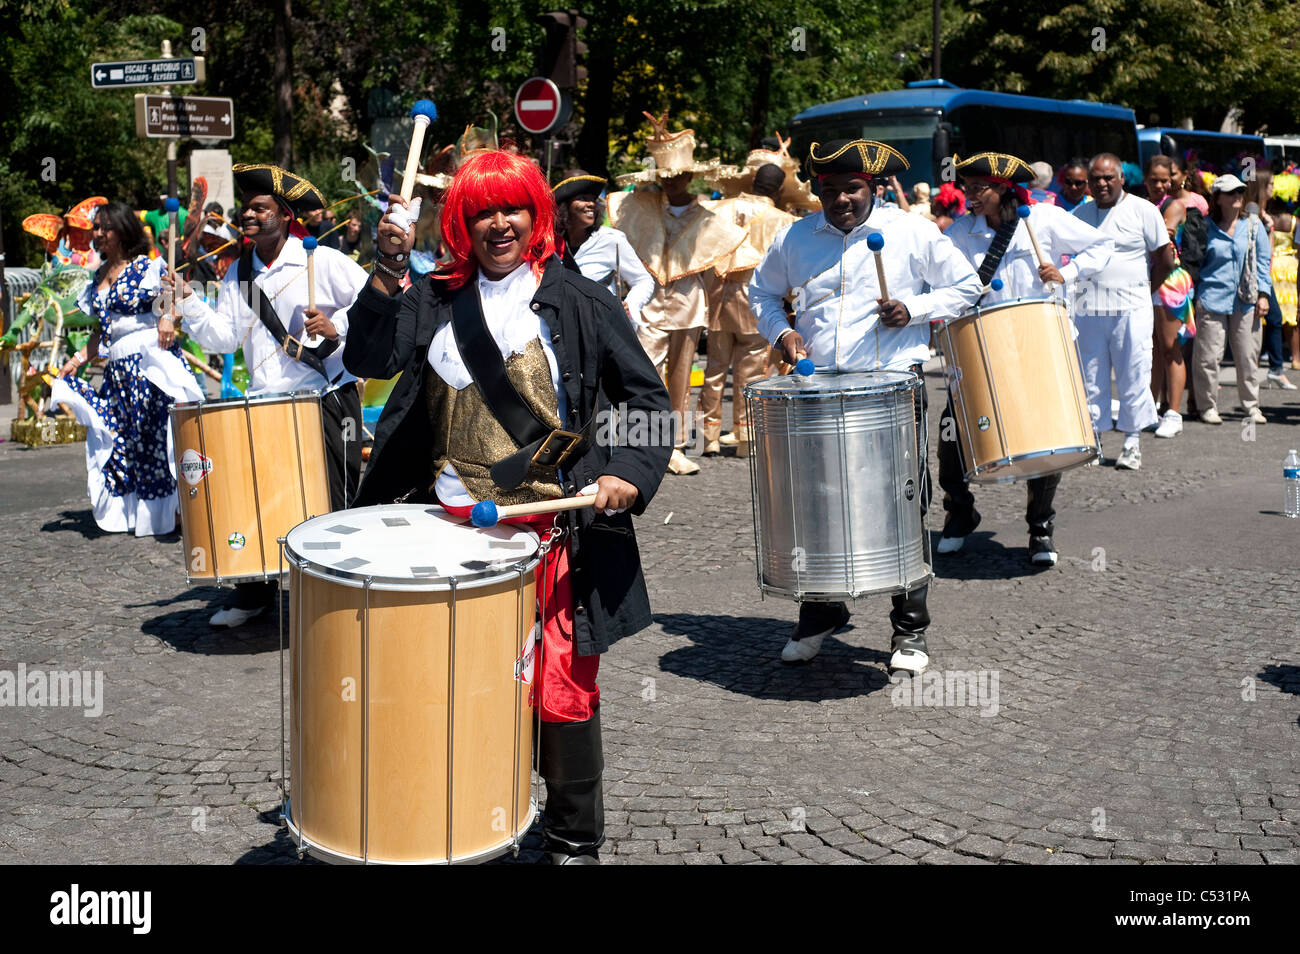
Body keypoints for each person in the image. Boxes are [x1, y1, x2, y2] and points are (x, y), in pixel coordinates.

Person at [343, 148, 671, 864]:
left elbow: (646, 399)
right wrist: (385, 269)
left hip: (554, 533)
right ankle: (461, 814)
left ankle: (572, 839)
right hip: (446, 532)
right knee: (451, 687)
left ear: (535, 215)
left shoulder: (581, 300)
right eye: (481, 211)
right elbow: (366, 360)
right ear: (460, 221)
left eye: (511, 208)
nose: (498, 224)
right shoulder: (431, 297)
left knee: (560, 689)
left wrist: (629, 474)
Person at [749, 139, 982, 674]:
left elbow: (967, 287)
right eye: (828, 190)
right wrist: (783, 333)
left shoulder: (912, 232)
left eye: (851, 189)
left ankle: (909, 630)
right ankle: (821, 613)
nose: (840, 200)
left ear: (872, 188)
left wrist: (915, 308)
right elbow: (761, 295)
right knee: (815, 504)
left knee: (900, 501)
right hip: (819, 392)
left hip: (892, 390)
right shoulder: (797, 238)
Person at [164, 163, 370, 627]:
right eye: (246, 209)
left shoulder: (322, 259)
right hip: (267, 402)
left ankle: (336, 592)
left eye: (260, 208)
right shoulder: (239, 272)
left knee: (333, 498)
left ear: (284, 214)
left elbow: (373, 301)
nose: (248, 216)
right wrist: (188, 299)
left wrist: (337, 326)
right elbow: (223, 338)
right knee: (260, 497)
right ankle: (252, 594)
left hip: (325, 397)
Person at [941, 152, 1113, 566]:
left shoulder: (1044, 220)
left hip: (1039, 342)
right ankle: (960, 514)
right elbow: (937, 276)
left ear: (1001, 188)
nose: (968, 195)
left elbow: (1103, 245)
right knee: (951, 433)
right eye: (966, 187)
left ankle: (1040, 526)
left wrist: (1066, 273)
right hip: (981, 345)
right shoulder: (961, 231)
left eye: (977, 188)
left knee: (1045, 438)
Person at [50, 202, 203, 536]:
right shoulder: (97, 277)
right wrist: (74, 363)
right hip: (117, 372)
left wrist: (166, 317)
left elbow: (177, 295)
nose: (98, 234)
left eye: (104, 228)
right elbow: (101, 335)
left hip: (151, 363)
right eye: (95, 228)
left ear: (122, 230)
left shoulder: (147, 268)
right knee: (125, 440)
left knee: (156, 439)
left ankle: (173, 512)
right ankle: (136, 514)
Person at [610, 111, 746, 476]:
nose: (674, 183)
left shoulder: (708, 216)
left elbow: (717, 259)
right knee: (643, 371)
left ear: (690, 176)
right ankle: (639, 442)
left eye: (680, 176)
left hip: (687, 303)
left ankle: (675, 444)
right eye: (666, 177)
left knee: (682, 375)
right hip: (650, 302)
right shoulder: (645, 208)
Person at [1071, 153, 1172, 470]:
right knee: (1091, 377)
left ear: (1121, 178)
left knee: (1134, 374)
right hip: (1087, 309)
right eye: (1095, 179)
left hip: (1131, 309)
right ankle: (1094, 441)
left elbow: (1165, 260)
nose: (1101, 184)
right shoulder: (1078, 214)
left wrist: (1143, 291)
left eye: (1107, 178)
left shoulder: (1143, 211)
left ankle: (1132, 443)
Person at [699, 162, 796, 456]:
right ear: (779, 189)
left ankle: (708, 437)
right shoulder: (784, 220)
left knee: (714, 369)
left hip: (718, 295)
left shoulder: (718, 209)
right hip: (756, 299)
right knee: (751, 371)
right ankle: (746, 438)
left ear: (752, 180)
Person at [1190, 173, 1272, 425]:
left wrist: (1264, 294)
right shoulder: (1205, 226)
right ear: (1217, 198)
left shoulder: (1254, 225)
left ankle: (1251, 406)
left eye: (1239, 191)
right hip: (1211, 296)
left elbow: (1262, 262)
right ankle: (1207, 406)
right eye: (1230, 192)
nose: (1237, 196)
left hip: (1246, 298)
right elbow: (1196, 260)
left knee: (1248, 356)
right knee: (1208, 357)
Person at [552, 172, 654, 323]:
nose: (591, 204)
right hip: (564, 326)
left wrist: (630, 305)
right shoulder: (551, 242)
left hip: (602, 327)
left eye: (592, 199)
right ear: (564, 206)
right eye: (582, 198)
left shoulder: (611, 239)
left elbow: (643, 280)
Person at [1144, 154, 1196, 437]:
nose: (1161, 185)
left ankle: (1173, 413)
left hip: (1168, 281)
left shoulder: (1174, 206)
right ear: (1145, 180)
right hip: (1147, 279)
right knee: (1151, 349)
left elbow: (1162, 240)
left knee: (1170, 347)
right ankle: (1149, 407)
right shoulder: (1143, 204)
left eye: (1165, 180)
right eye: (1154, 180)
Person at [1246, 169, 1297, 389]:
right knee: (1264, 321)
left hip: (1265, 274)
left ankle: (1273, 369)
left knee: (1272, 320)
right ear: (1261, 186)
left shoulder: (1264, 214)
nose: (1273, 188)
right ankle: (1264, 368)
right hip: (1255, 275)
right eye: (1270, 184)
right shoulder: (1253, 214)